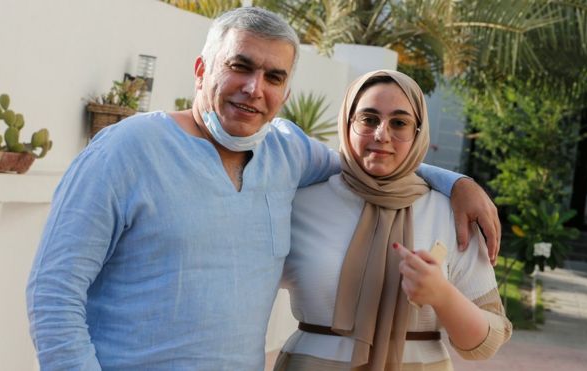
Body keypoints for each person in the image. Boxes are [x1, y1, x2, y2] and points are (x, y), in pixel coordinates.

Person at [26, 7, 500, 370]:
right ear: (201, 70)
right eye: (240, 66)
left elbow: (370, 166)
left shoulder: (287, 153)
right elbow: (54, 290)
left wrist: (454, 182)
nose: (255, 88)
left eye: (274, 76)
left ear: (286, 93)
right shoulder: (126, 150)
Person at [275, 70, 512, 370]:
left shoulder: (453, 213)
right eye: (368, 119)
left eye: (399, 123)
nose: (381, 134)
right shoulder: (300, 204)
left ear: (418, 132)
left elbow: (485, 345)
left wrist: (442, 295)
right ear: (347, 123)